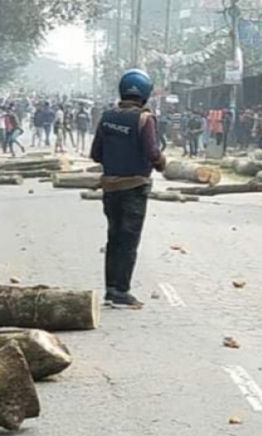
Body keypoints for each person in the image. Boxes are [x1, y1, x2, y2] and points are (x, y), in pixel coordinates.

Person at [90, 69, 166, 308]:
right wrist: (162, 163)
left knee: (114, 237)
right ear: (145, 94)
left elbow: (95, 154)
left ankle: (111, 287)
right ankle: (121, 291)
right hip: (134, 188)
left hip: (110, 187)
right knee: (129, 240)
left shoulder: (107, 117)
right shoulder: (145, 119)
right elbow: (152, 152)